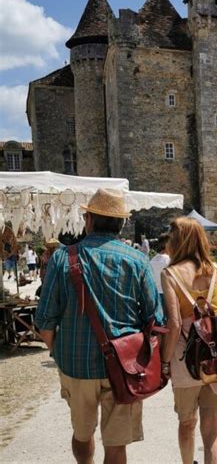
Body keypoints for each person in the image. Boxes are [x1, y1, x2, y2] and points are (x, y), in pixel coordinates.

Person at [35, 188, 165, 464]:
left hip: (75, 364)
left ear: (89, 220)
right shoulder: (137, 260)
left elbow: (44, 321)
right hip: (124, 365)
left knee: (82, 435)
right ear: (120, 224)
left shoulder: (62, 258)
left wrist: (57, 351)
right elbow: (156, 319)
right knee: (116, 446)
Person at [160, 217, 217, 464]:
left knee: (186, 423)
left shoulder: (170, 274)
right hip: (216, 358)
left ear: (177, 241)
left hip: (185, 359)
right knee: (212, 427)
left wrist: (164, 361)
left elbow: (173, 325)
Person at [150, 233, 171, 305]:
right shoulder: (169, 260)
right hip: (166, 294)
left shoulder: (153, 259)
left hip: (154, 294)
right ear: (167, 244)